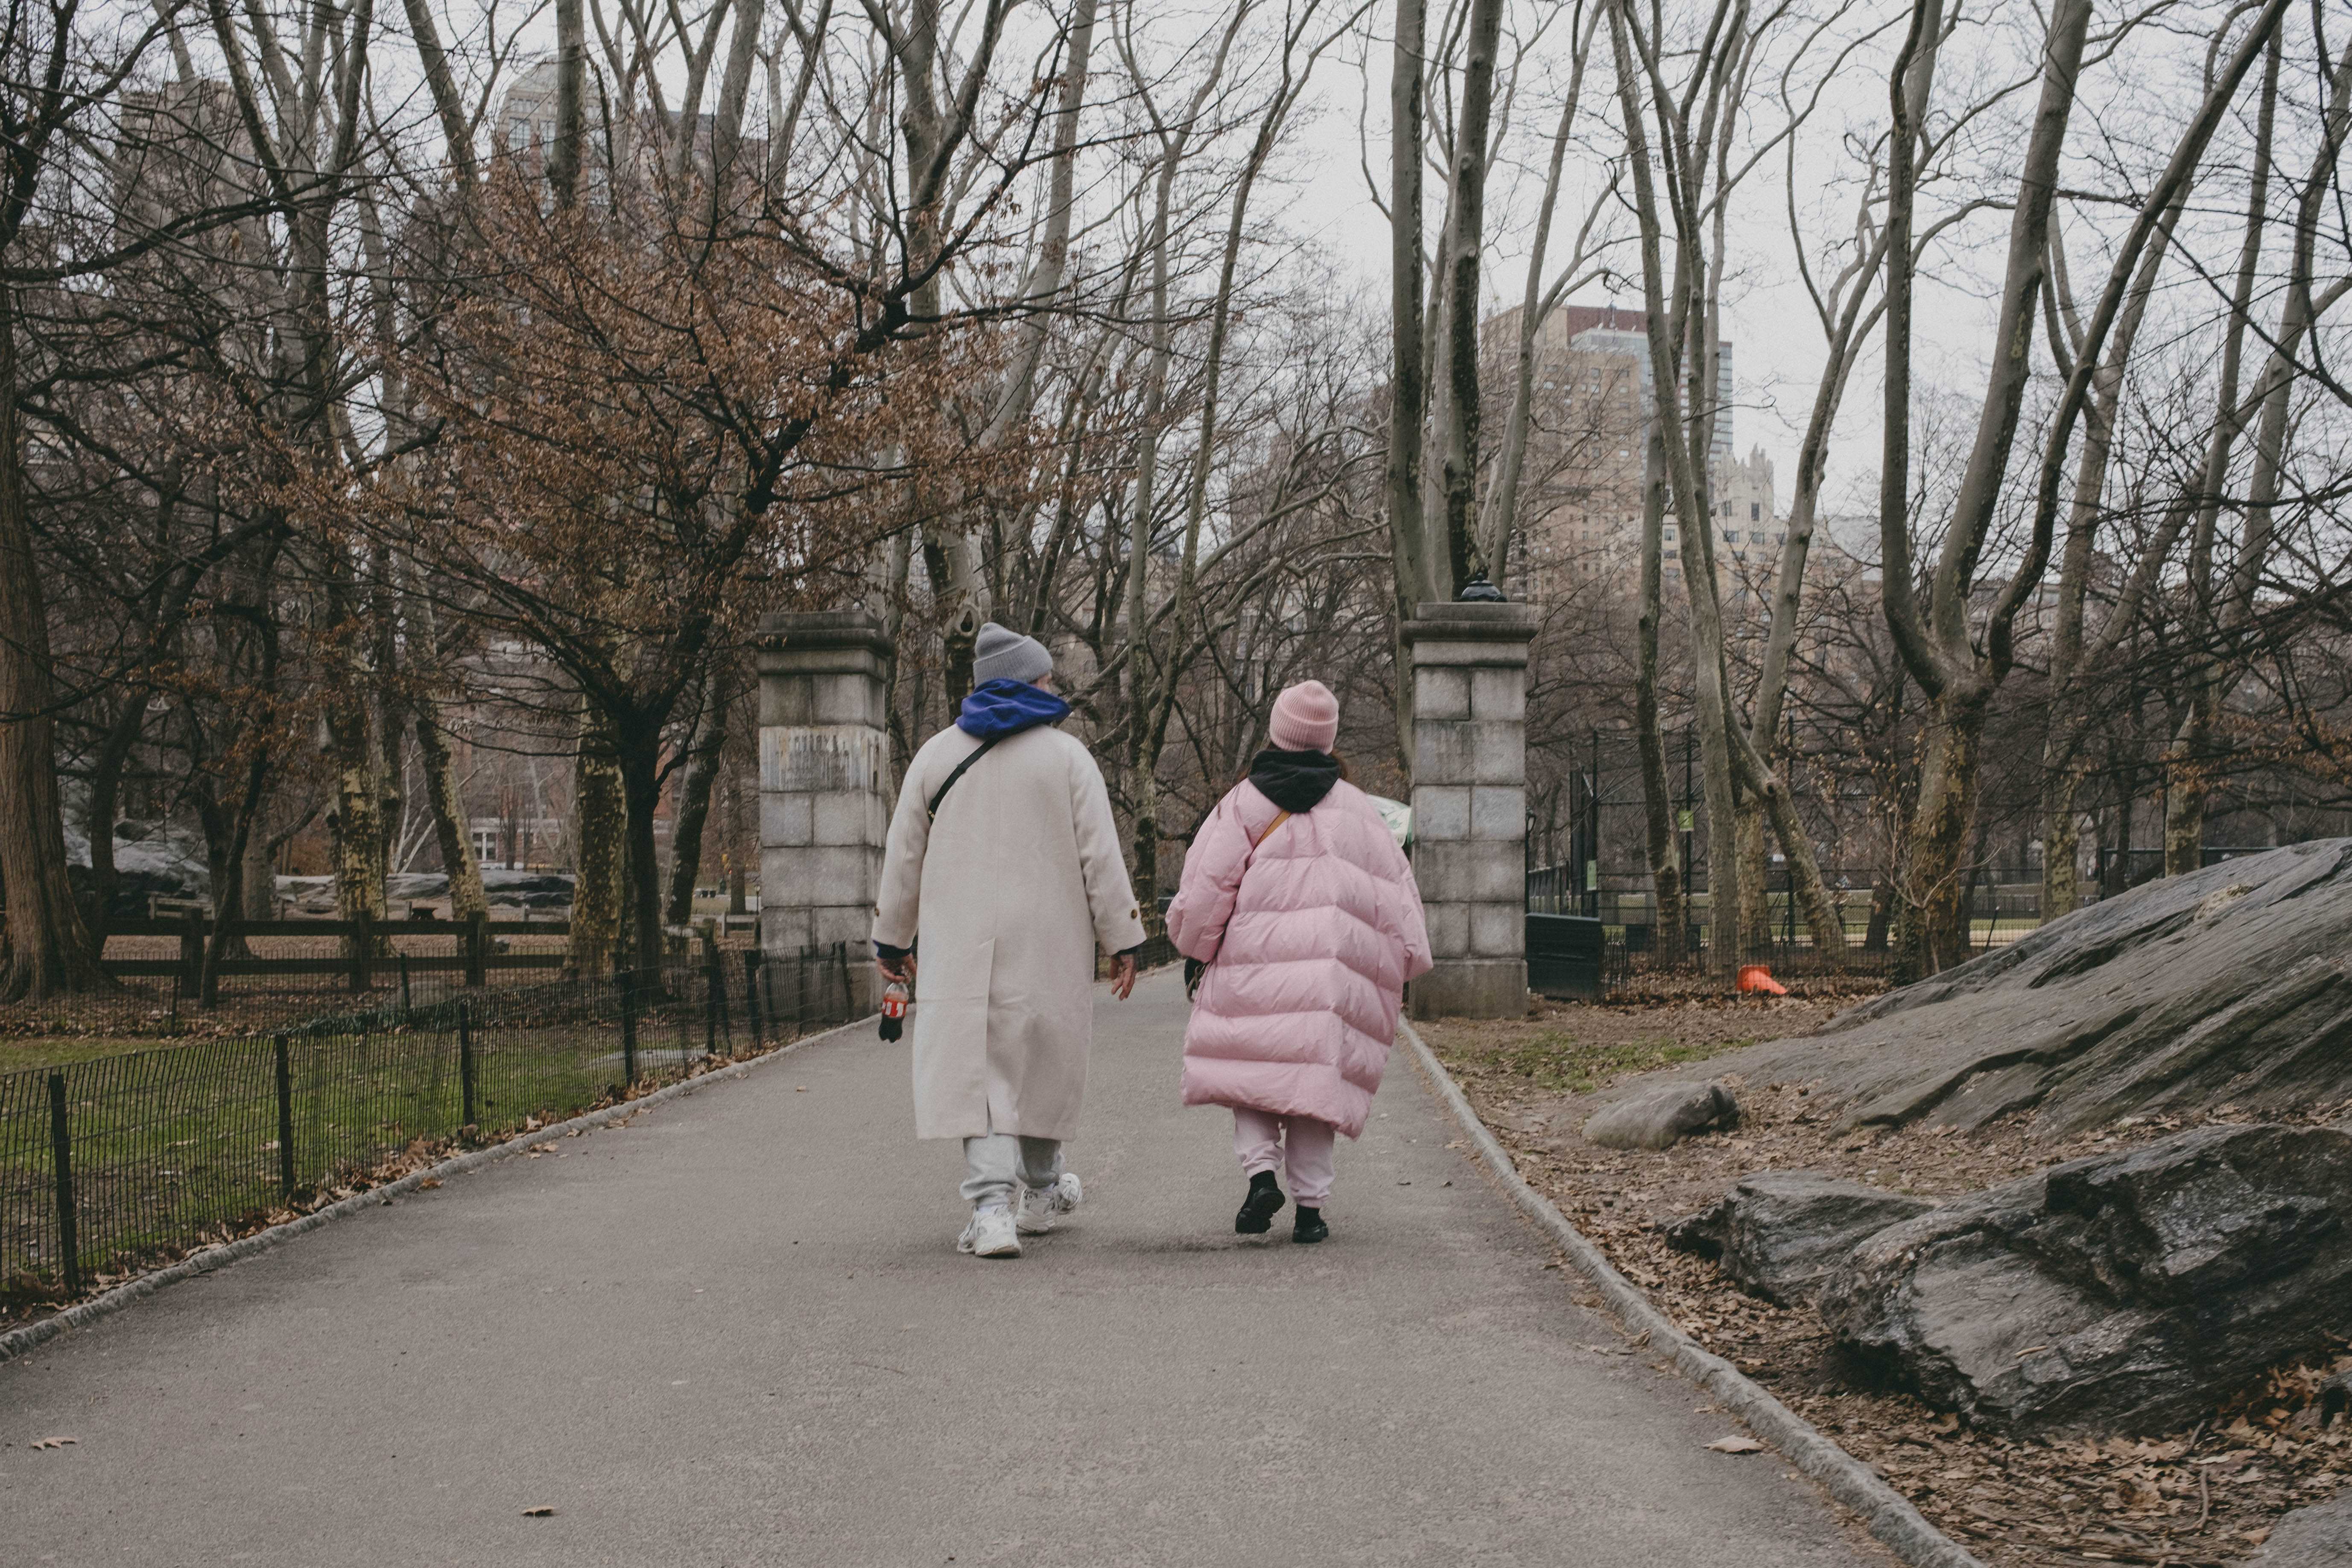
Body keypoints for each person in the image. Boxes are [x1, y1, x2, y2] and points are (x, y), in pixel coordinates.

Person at [873, 622, 1146, 1259]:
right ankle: (1037, 1191)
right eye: (1046, 676)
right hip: (1048, 940)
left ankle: (993, 1207)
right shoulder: (1067, 757)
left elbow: (903, 855)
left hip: (959, 941)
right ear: (1028, 683)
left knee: (980, 1070)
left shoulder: (936, 754)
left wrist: (893, 937)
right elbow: (1099, 858)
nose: (1053, 685)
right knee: (1039, 1062)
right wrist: (1122, 936)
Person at [1165, 680, 1431, 1244]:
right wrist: (1406, 958)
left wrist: (1194, 946)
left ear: (1277, 732)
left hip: (1252, 967)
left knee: (1252, 1077)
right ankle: (1310, 1210)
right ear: (1326, 739)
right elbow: (1396, 894)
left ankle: (1261, 1173)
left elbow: (1206, 886)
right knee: (1313, 1088)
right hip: (1328, 977)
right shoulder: (1359, 812)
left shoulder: (1243, 802)